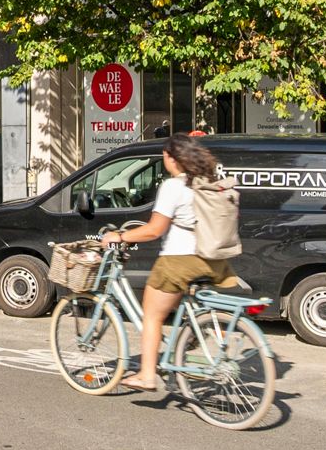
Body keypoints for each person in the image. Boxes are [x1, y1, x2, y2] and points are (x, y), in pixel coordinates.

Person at [99, 134, 239, 393]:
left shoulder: (173, 187)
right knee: (183, 310)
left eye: (165, 157)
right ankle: (189, 352)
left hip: (180, 261)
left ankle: (147, 375)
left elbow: (154, 230)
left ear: (171, 158)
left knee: (152, 315)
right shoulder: (209, 181)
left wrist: (120, 236)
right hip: (213, 259)